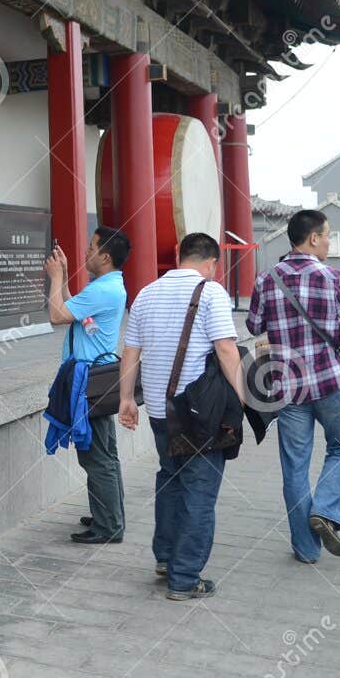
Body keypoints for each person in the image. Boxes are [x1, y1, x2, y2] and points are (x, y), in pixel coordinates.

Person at [117, 232, 243, 601]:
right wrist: (243, 399)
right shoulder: (211, 292)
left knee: (170, 480)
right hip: (199, 416)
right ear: (211, 263)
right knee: (200, 492)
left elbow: (130, 352)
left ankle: (166, 557)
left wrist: (126, 399)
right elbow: (225, 347)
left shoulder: (146, 293)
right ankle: (185, 578)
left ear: (180, 256)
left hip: (159, 412)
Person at [247, 209, 340, 564]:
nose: (329, 242)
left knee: (295, 468)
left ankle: (305, 549)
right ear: (313, 238)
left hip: (290, 389)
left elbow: (255, 326)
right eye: (327, 235)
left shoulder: (266, 279)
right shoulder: (335, 278)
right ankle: (326, 510)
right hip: (331, 382)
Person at [44, 226, 130, 544]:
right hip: (98, 378)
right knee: (104, 453)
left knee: (97, 457)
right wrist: (64, 273)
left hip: (90, 381)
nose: (85, 252)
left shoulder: (103, 290)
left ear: (105, 256)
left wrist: (53, 278)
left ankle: (109, 527)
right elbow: (72, 309)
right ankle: (108, 517)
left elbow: (56, 315)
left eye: (91, 247)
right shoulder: (107, 286)